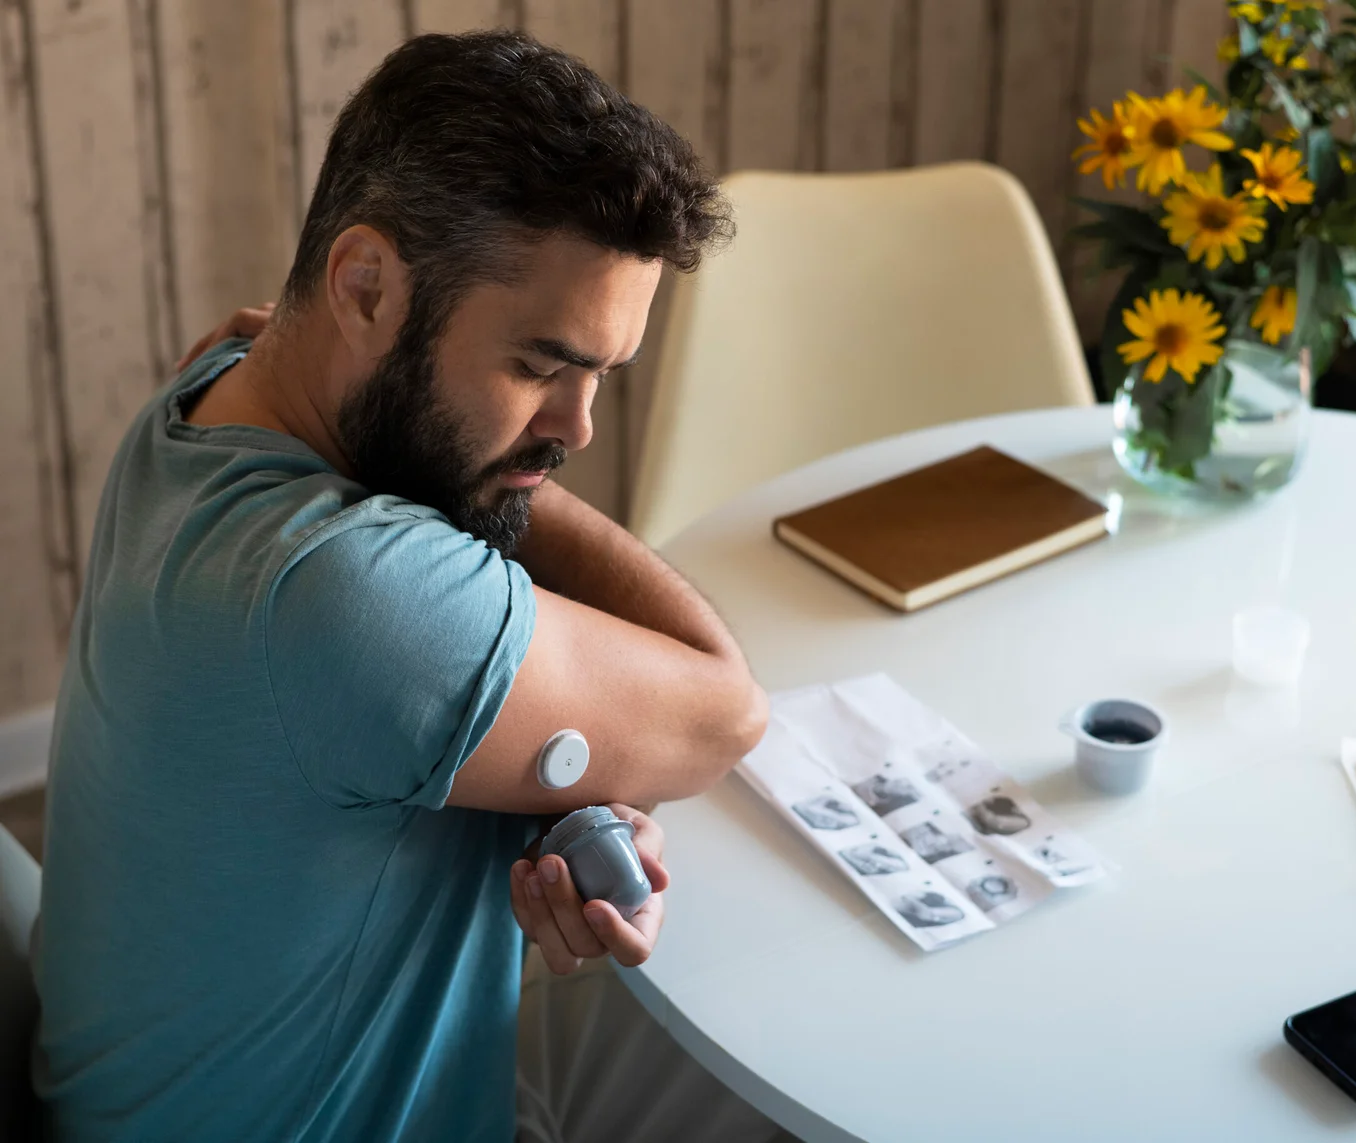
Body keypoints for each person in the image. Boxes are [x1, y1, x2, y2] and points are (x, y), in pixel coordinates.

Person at [32, 30, 791, 1143]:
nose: (575, 428)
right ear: (367, 286)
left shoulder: (200, 404)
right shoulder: (339, 593)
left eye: (599, 378)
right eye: (538, 366)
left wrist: (558, 795)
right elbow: (724, 713)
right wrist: (498, 496)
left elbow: (247, 332)